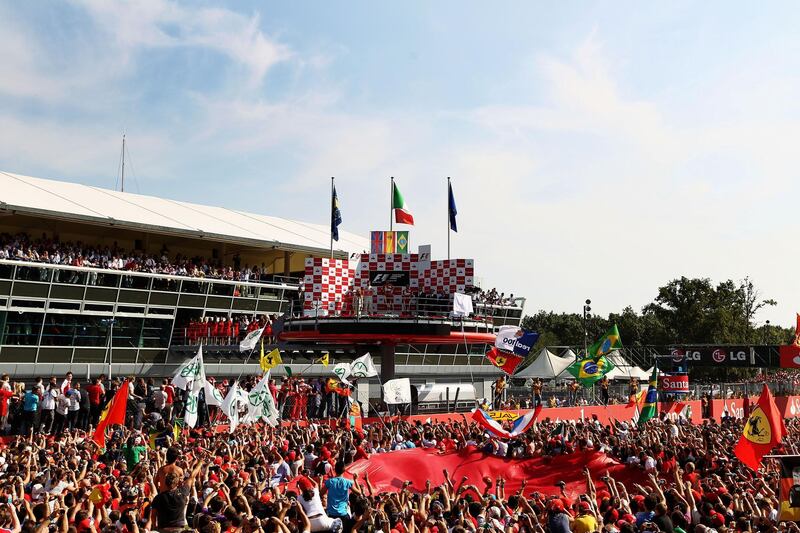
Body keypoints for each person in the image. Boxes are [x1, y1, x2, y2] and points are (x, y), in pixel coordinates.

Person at [147, 458, 202, 531]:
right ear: (177, 483)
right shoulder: (183, 492)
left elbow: (153, 516)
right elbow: (192, 476)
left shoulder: (158, 497)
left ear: (165, 482)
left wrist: (155, 527)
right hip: (179, 529)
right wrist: (200, 462)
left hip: (163, 530)